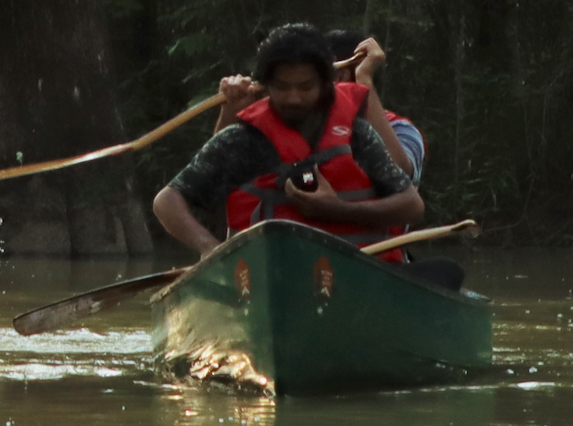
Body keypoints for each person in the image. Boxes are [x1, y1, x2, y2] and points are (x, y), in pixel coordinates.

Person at [156, 25, 424, 258]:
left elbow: (411, 206)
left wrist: (338, 210)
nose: (293, 99)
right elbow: (167, 201)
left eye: (306, 87)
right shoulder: (243, 139)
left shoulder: (357, 134)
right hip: (265, 273)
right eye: (282, 87)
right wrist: (209, 248)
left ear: (327, 85)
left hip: (349, 271)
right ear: (265, 86)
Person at [217, 30, 428, 187]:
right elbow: (219, 172)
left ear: (340, 77)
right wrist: (230, 112)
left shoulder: (402, 130)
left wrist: (363, 80)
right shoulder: (285, 125)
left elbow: (400, 176)